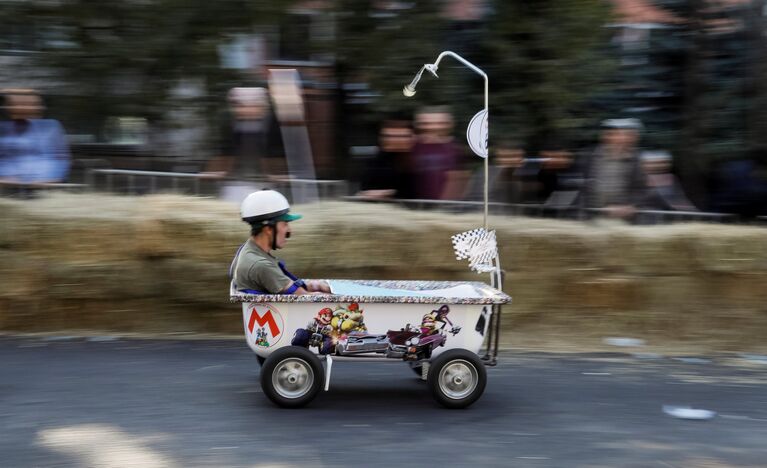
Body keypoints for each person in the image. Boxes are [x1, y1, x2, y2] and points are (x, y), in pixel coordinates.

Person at [230, 189, 330, 295]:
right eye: (285, 224)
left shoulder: (248, 250)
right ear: (268, 229)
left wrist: (316, 285)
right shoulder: (261, 265)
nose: (289, 231)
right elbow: (305, 298)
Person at [0, 88, 70, 185]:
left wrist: (45, 180)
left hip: (43, 183)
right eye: (16, 103)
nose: (23, 108)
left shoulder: (50, 126)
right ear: (8, 107)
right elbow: (3, 158)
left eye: (28, 104)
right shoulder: (3, 128)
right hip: (8, 183)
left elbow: (60, 158)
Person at [584, 118, 646, 221]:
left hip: (621, 221)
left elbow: (642, 189)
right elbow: (582, 186)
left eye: (628, 135)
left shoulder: (637, 160)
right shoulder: (591, 156)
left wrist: (630, 205)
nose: (622, 138)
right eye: (616, 134)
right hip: (591, 217)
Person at [409, 106, 465, 200]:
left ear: (450, 124)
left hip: (446, 207)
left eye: (440, 123)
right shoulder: (411, 147)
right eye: (427, 123)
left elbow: (459, 180)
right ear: (418, 125)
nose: (433, 127)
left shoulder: (456, 148)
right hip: (414, 206)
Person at [356, 119, 414, 199]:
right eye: (390, 136)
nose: (396, 140)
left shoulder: (414, 159)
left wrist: (388, 192)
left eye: (401, 136)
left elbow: (413, 190)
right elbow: (364, 192)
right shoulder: (375, 160)